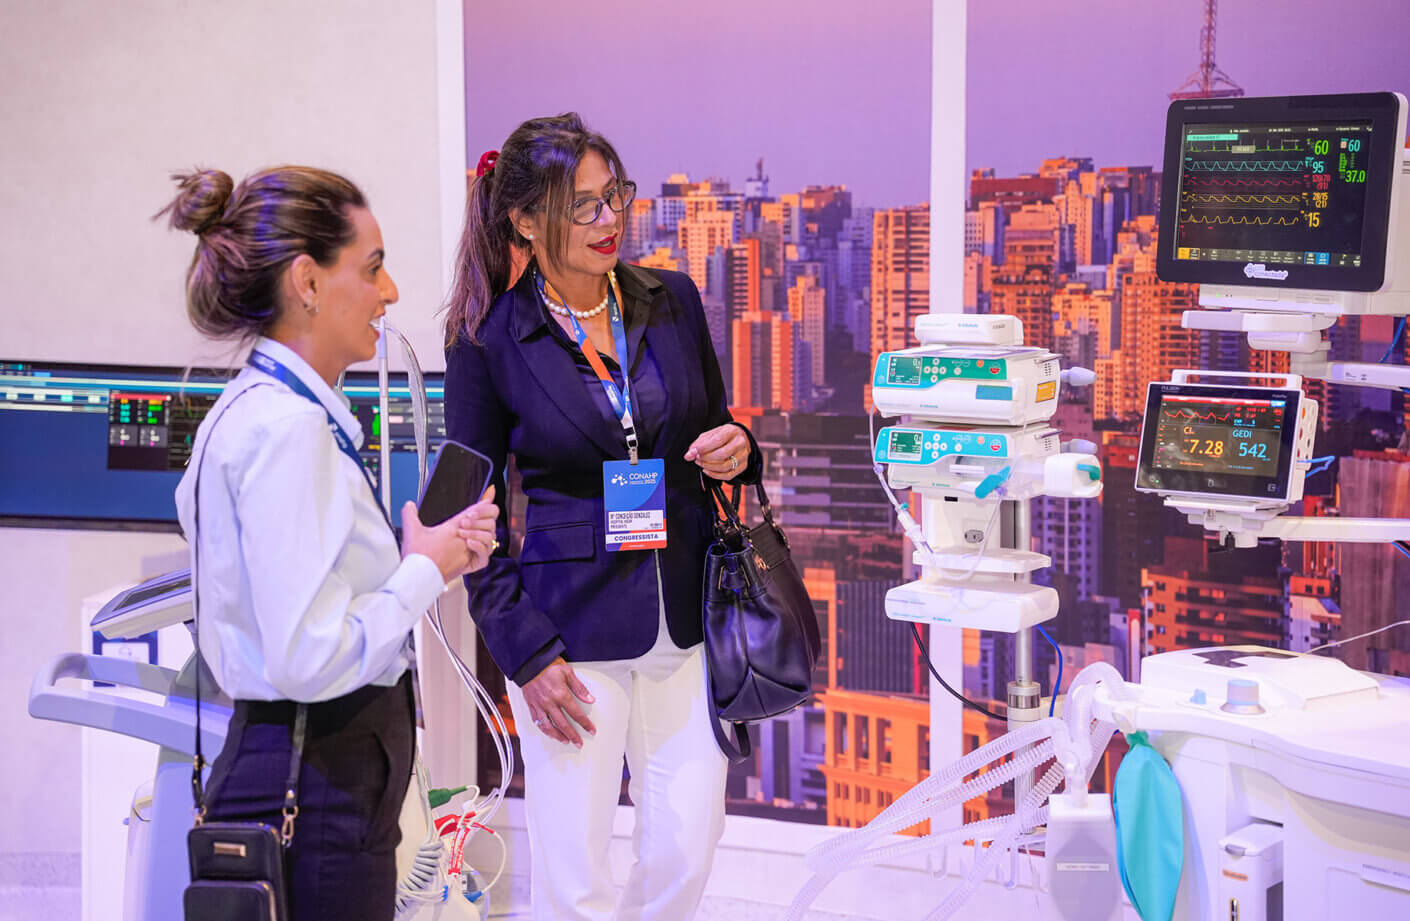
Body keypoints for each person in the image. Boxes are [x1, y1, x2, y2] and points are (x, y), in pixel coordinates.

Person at [442, 113, 760, 921]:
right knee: (574, 878)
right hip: (566, 640)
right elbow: (463, 516)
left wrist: (740, 448)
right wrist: (523, 652)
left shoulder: (672, 300)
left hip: (684, 620)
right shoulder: (488, 339)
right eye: (580, 205)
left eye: (613, 195)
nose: (608, 219)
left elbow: (714, 425)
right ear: (522, 219)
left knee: (688, 848)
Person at [162, 165, 499, 921]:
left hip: (304, 772)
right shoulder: (288, 431)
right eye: (373, 267)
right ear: (308, 282)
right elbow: (308, 655)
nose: (392, 293)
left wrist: (408, 556)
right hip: (313, 787)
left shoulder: (249, 410)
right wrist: (422, 572)